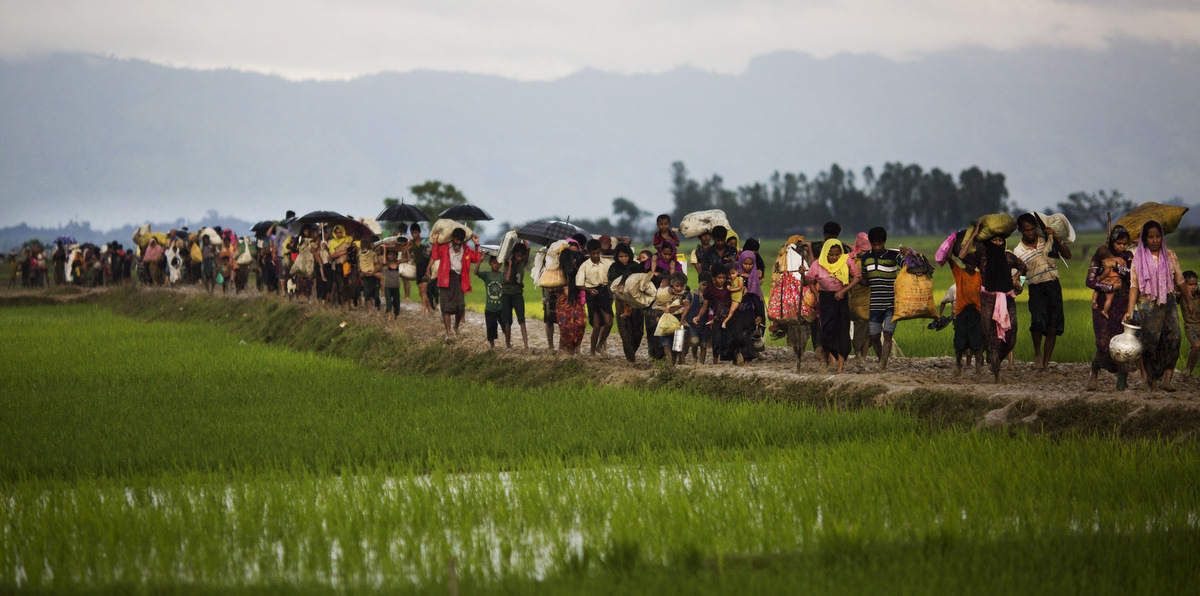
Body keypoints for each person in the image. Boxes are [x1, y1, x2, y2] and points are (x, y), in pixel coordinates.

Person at [1124, 221, 1189, 392]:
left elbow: (1180, 281)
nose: (1154, 240)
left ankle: (1167, 380)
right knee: (1151, 342)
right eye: (1150, 237)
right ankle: (1152, 381)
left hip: (1168, 301)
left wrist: (1188, 301)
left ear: (1162, 237)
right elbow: (1134, 286)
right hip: (1147, 303)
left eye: (1157, 236)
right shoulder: (1138, 259)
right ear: (1145, 239)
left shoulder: (1170, 256)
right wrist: (1130, 309)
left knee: (1174, 338)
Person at [961, 228, 1027, 384]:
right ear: (988, 242)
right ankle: (996, 374)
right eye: (994, 240)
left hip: (1007, 298)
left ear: (1004, 243)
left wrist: (1016, 280)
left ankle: (993, 360)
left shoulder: (1008, 257)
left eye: (1000, 241)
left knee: (1011, 338)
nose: (997, 243)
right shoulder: (981, 257)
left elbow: (1023, 267)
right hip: (987, 299)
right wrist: (973, 237)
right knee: (992, 338)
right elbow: (963, 256)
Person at [1014, 213, 1072, 370]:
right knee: (1038, 322)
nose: (1031, 233)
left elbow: (1068, 255)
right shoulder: (1018, 252)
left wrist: (1056, 237)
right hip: (1036, 288)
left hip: (1053, 285)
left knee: (1053, 325)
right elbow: (1020, 274)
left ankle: (1046, 363)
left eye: (1033, 229)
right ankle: (1037, 354)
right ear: (1020, 230)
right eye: (1026, 230)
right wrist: (1018, 287)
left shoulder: (1047, 240)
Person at [805, 240, 862, 374]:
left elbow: (857, 276)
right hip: (825, 300)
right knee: (826, 331)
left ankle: (840, 368)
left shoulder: (846, 261)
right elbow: (809, 280)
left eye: (837, 255)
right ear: (826, 254)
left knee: (842, 331)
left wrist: (843, 291)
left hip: (841, 299)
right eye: (831, 255)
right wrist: (816, 294)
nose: (835, 258)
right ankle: (826, 360)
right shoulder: (818, 264)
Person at [858, 227, 907, 369]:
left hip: (892, 302)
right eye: (874, 244)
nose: (877, 247)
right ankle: (881, 360)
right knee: (874, 336)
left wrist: (907, 254)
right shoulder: (865, 258)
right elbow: (866, 281)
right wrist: (853, 277)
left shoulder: (894, 256)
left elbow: (907, 267)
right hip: (875, 303)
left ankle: (883, 365)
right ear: (871, 243)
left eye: (880, 244)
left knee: (887, 334)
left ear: (885, 242)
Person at [430, 227, 481, 342]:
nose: (458, 242)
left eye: (460, 240)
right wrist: (435, 240)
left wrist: (476, 244)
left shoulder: (467, 250)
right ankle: (448, 332)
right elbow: (435, 255)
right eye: (456, 240)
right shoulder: (444, 248)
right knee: (446, 308)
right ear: (452, 238)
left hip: (460, 280)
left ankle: (456, 326)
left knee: (460, 306)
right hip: (445, 279)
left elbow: (476, 258)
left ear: (463, 240)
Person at [721, 251, 765, 365]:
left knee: (747, 335)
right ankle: (736, 356)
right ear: (741, 263)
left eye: (750, 264)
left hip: (748, 311)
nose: (748, 266)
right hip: (735, 311)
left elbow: (756, 298)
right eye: (745, 263)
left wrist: (759, 314)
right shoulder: (734, 276)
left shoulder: (753, 278)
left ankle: (746, 359)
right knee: (736, 335)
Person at [948, 253, 984, 377]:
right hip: (962, 312)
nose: (971, 266)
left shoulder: (980, 276)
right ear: (964, 263)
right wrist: (952, 240)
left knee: (978, 345)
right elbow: (949, 258)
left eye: (973, 264)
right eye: (969, 263)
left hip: (976, 312)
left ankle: (978, 370)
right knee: (959, 344)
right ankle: (958, 365)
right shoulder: (960, 273)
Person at [576, 239, 613, 355]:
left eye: (598, 253)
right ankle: (592, 351)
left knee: (609, 322)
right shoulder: (585, 266)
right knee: (596, 326)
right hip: (592, 295)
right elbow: (579, 284)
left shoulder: (608, 263)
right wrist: (589, 290)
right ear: (589, 252)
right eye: (593, 253)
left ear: (600, 251)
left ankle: (600, 345)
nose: (596, 256)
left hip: (604, 293)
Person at [609, 243, 644, 362]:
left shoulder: (636, 266)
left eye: (626, 256)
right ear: (616, 257)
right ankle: (631, 359)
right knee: (625, 331)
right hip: (621, 302)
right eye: (621, 257)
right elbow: (612, 285)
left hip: (636, 302)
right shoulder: (614, 268)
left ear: (629, 255)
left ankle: (632, 352)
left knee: (638, 331)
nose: (624, 259)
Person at [652, 272, 691, 366]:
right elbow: (655, 306)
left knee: (680, 343)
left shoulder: (685, 292)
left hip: (679, 319)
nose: (680, 288)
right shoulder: (663, 293)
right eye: (677, 286)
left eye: (682, 286)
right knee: (666, 344)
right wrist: (663, 309)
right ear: (672, 283)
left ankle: (681, 365)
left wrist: (682, 319)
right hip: (665, 320)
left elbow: (687, 306)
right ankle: (670, 366)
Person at [556, 240, 587, 355]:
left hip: (578, 298)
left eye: (576, 253)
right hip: (563, 300)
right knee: (565, 326)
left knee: (580, 324)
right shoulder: (559, 267)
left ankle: (576, 347)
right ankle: (565, 349)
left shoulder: (581, 266)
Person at [501, 241, 531, 349]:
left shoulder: (523, 262)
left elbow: (528, 248)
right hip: (506, 293)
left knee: (521, 319)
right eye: (517, 256)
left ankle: (526, 345)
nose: (519, 258)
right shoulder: (507, 262)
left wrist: (522, 237)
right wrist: (510, 265)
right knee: (507, 320)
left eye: (521, 256)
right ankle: (508, 344)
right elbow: (507, 278)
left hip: (518, 293)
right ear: (514, 254)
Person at [475, 256, 507, 348]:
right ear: (490, 263)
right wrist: (480, 261)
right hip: (490, 308)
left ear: (501, 264)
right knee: (490, 328)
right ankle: (492, 347)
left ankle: (507, 343)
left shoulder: (502, 276)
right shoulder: (487, 275)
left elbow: (509, 277)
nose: (496, 265)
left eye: (498, 263)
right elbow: (476, 272)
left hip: (501, 307)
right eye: (494, 263)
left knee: (505, 327)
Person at [1090, 245, 1127, 319]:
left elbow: (1106, 272)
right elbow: (1125, 272)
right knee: (1109, 299)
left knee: (1098, 287)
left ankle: (1095, 301)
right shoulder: (1121, 260)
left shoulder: (1107, 261)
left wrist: (1100, 277)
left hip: (1108, 280)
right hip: (1115, 280)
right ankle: (1105, 310)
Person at [683, 272, 712, 365]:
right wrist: (683, 318)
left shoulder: (711, 296)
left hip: (705, 323)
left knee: (704, 344)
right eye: (703, 285)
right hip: (693, 323)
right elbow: (687, 305)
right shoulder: (692, 293)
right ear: (699, 283)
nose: (705, 287)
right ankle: (695, 357)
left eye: (707, 285)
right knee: (694, 341)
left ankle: (702, 363)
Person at [1182, 270, 1199, 377]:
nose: (1193, 287)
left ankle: (1189, 374)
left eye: (1195, 284)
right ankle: (1187, 368)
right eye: (1190, 284)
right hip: (1190, 325)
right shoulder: (1182, 296)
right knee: (1197, 345)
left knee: (1197, 349)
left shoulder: (1198, 295)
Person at [358, 238, 382, 313]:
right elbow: (359, 265)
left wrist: (372, 272)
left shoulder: (374, 254)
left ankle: (377, 309)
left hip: (373, 275)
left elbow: (379, 266)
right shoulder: (371, 254)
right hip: (367, 275)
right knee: (367, 294)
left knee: (375, 295)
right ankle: (370, 311)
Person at [381, 248, 402, 320]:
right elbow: (383, 262)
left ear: (396, 255)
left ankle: (396, 315)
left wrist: (405, 249)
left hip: (396, 286)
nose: (392, 256)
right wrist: (384, 250)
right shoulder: (387, 264)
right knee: (388, 302)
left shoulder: (397, 263)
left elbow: (407, 258)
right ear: (387, 256)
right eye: (390, 254)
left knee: (396, 302)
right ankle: (389, 317)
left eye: (393, 254)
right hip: (388, 286)